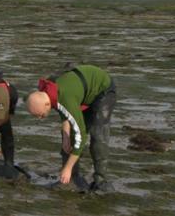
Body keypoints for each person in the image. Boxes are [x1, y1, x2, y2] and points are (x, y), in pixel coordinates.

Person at [26, 64, 116, 192]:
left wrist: (67, 167)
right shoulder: (49, 91)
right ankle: (72, 178)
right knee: (69, 135)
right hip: (81, 92)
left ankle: (101, 180)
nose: (39, 118)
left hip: (103, 90)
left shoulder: (64, 98)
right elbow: (65, 114)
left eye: (39, 114)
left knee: (97, 134)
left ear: (47, 104)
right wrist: (66, 138)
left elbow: (81, 136)